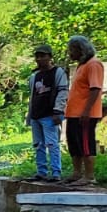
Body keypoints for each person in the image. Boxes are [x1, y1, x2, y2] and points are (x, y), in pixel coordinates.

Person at [64, 35, 104, 186]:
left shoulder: (94, 65)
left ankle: (89, 176)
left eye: (71, 50)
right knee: (74, 144)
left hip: (85, 113)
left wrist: (86, 111)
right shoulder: (81, 66)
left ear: (80, 50)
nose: (70, 54)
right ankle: (77, 173)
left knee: (86, 144)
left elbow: (95, 89)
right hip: (73, 113)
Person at [26, 45, 68, 181]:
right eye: (37, 56)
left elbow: (63, 92)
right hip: (36, 114)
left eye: (43, 56)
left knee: (52, 143)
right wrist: (29, 116)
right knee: (38, 145)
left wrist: (58, 110)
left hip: (50, 114)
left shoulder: (58, 72)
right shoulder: (35, 76)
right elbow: (32, 96)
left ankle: (56, 172)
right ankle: (41, 171)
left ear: (50, 57)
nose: (40, 59)